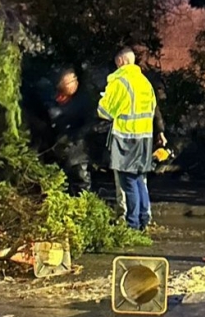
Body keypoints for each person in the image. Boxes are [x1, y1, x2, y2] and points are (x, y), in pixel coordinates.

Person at [97, 47, 166, 231]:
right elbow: (153, 110)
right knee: (139, 179)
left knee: (128, 182)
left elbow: (105, 112)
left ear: (120, 62)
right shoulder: (145, 83)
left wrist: (102, 100)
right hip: (144, 138)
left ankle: (132, 224)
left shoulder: (119, 82)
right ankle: (144, 219)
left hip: (126, 138)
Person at [47, 68, 100, 196]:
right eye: (68, 81)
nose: (72, 83)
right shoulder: (55, 99)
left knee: (81, 184)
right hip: (60, 150)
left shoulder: (83, 100)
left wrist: (75, 135)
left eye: (73, 80)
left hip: (78, 151)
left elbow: (91, 123)